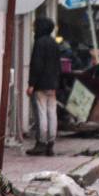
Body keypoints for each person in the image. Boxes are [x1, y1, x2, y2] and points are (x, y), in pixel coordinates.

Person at [27, 17, 61, 156]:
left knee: (41, 113)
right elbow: (58, 66)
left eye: (35, 26)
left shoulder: (39, 43)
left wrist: (31, 84)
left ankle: (41, 142)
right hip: (52, 84)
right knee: (52, 113)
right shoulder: (54, 43)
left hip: (41, 84)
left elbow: (37, 65)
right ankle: (51, 143)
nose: (34, 28)